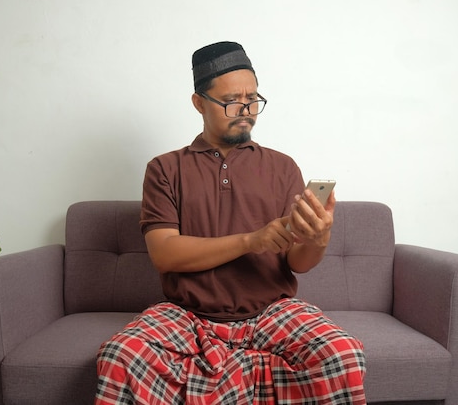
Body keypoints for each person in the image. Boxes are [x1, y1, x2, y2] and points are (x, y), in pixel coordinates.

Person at [95, 41, 366, 405]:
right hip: (187, 314)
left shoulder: (282, 166)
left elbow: (297, 263)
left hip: (273, 310)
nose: (246, 111)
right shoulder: (164, 169)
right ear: (199, 103)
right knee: (120, 356)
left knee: (342, 353)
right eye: (231, 102)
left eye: (253, 100)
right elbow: (165, 255)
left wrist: (319, 236)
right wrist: (252, 241)